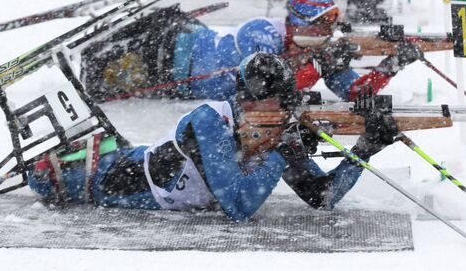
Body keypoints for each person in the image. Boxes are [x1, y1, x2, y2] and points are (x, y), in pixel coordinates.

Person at [30, 53, 401, 218]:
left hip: (134, 166)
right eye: (276, 105)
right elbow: (238, 207)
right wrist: (281, 155)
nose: (283, 113)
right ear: (247, 99)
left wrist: (363, 152)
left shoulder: (269, 131)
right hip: (107, 180)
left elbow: (322, 198)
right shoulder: (210, 121)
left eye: (286, 105)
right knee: (40, 178)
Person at [80, 0, 422, 104]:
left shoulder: (317, 53)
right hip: (167, 51)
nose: (328, 35)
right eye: (322, 25)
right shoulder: (260, 32)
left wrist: (389, 67)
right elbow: (269, 89)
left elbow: (354, 94)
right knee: (95, 73)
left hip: (177, 80)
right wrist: (317, 67)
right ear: (301, 23)